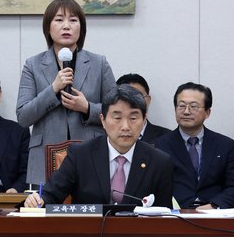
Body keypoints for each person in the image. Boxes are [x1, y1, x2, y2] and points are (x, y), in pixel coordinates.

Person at [16, 0, 116, 186]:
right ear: (48, 27)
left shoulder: (99, 63)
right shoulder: (33, 65)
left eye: (73, 20)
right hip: (46, 156)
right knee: (48, 214)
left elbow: (116, 112)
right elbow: (23, 116)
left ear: (81, 27)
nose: (66, 26)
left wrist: (87, 108)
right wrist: (53, 89)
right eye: (59, 19)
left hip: (91, 152)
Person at [24, 85, 173, 208]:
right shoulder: (80, 155)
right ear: (102, 120)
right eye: (117, 117)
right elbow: (51, 194)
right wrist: (39, 200)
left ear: (144, 119)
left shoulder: (160, 162)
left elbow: (164, 215)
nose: (125, 126)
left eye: (133, 118)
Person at [155, 82, 234, 209]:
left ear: (207, 112)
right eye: (181, 106)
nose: (186, 111)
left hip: (215, 214)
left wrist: (214, 205)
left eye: (194, 106)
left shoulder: (226, 145)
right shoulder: (160, 145)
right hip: (175, 215)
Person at [116, 73, 170, 145]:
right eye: (125, 97)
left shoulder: (168, 138)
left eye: (138, 96)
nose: (132, 102)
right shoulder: (103, 138)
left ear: (148, 100)